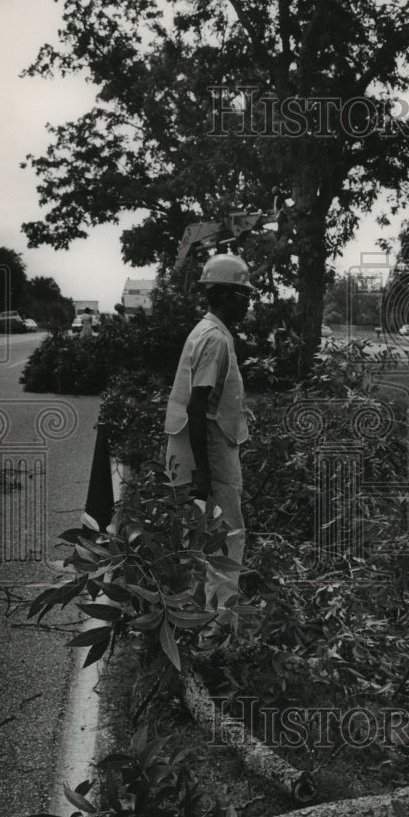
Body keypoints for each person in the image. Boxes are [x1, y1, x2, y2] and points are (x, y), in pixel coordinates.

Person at [164, 253, 253, 615]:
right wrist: (203, 470)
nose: (248, 304)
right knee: (226, 536)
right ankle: (219, 626)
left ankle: (197, 617)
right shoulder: (214, 338)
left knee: (202, 538)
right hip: (210, 451)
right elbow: (197, 406)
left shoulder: (207, 331)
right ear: (225, 295)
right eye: (244, 296)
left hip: (201, 447)